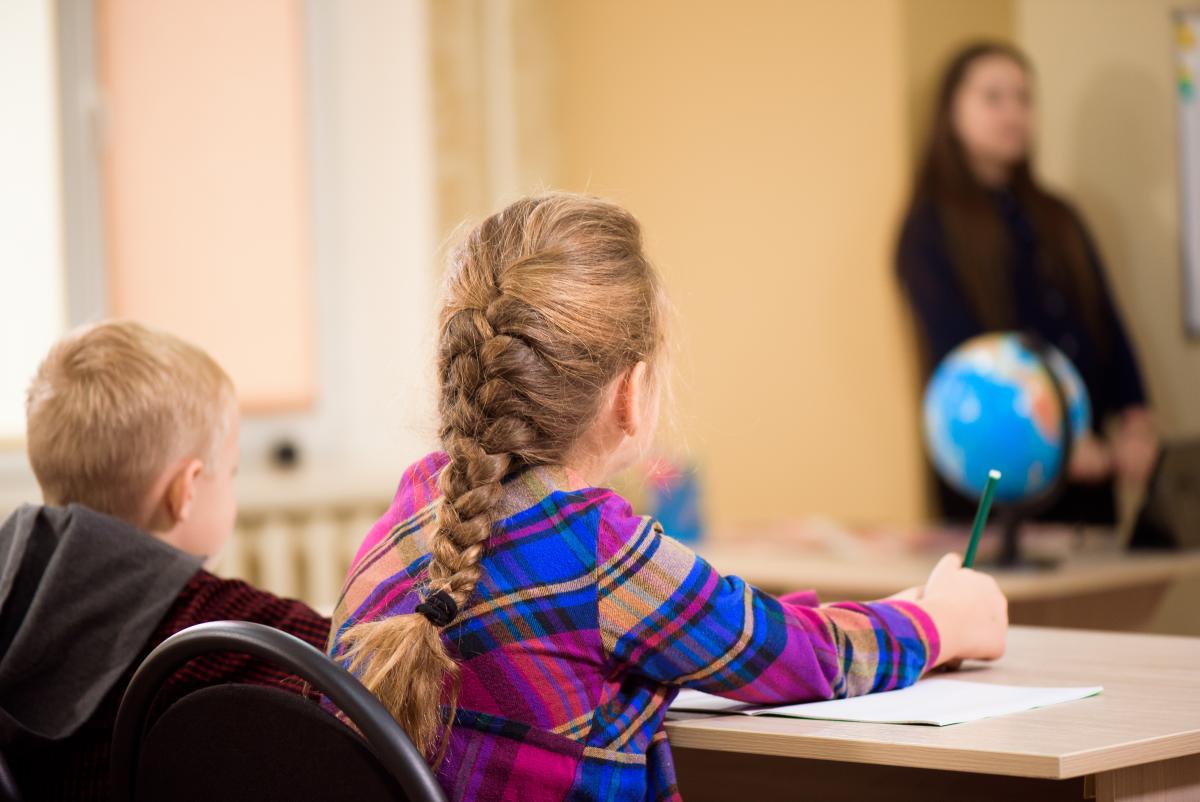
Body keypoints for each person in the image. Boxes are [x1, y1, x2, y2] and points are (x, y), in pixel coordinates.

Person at [328, 193, 1008, 801]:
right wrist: (938, 624)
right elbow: (792, 654)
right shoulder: (596, 548)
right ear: (630, 393)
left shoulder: (410, 508)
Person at [0, 321, 330, 801]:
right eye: (230, 472)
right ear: (186, 490)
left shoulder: (11, 596)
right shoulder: (222, 632)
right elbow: (361, 677)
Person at [898, 42, 1158, 525]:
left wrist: (1136, 420)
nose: (1013, 113)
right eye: (993, 98)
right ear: (951, 111)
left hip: (1087, 482)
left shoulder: (1060, 217)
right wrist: (1058, 441)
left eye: (1023, 98)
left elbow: (1106, 325)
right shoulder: (929, 230)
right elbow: (960, 354)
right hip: (997, 480)